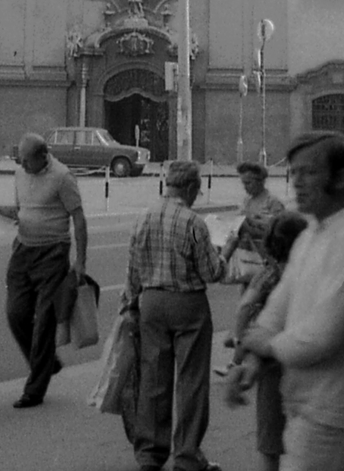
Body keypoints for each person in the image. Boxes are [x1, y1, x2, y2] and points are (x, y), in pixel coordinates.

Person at [244, 129, 344, 471]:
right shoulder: (311, 233)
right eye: (294, 173)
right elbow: (279, 305)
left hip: (337, 412)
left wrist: (265, 346)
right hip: (307, 405)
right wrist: (252, 360)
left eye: (309, 172)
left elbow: (322, 336)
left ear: (340, 177)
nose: (298, 182)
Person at [124, 158, 224, 471]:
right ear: (192, 187)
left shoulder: (143, 217)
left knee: (154, 380)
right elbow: (210, 272)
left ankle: (150, 455)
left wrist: (130, 305)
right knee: (191, 382)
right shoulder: (193, 222)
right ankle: (187, 455)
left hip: (151, 304)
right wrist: (227, 250)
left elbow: (133, 271)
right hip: (188, 306)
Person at [0, 131, 88, 409]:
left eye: (26, 161)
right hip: (23, 251)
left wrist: (80, 262)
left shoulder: (62, 177)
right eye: (19, 160)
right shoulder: (19, 174)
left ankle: (34, 390)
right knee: (16, 314)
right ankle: (47, 361)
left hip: (53, 253)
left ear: (43, 156)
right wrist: (0, 213)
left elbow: (79, 219)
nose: (22, 165)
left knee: (45, 323)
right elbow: (22, 208)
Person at [224, 212, 308, 471]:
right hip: (304, 359)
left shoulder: (268, 274)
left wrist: (239, 350)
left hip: (270, 362)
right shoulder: (309, 273)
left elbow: (245, 307)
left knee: (270, 442)